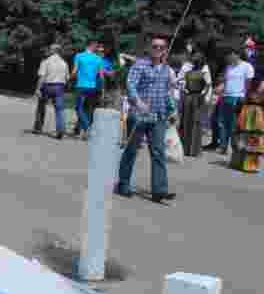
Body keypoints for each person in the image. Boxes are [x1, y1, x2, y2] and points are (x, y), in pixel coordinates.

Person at [115, 32, 176, 205]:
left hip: (158, 116)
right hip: (139, 115)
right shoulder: (140, 65)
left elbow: (166, 92)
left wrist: (172, 110)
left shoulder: (166, 69)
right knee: (131, 150)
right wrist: (138, 102)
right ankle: (123, 184)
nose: (158, 49)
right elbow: (130, 85)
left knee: (158, 153)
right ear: (150, 48)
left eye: (161, 47)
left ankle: (159, 191)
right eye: (155, 46)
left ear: (165, 50)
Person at [206, 48, 255, 155]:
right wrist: (219, 89)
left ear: (237, 55)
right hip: (225, 97)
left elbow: (248, 84)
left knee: (234, 124)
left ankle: (233, 147)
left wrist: (245, 97)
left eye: (230, 55)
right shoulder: (229, 67)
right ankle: (223, 147)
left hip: (238, 98)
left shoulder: (247, 66)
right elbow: (225, 82)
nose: (228, 58)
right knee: (223, 123)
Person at [33, 44, 69, 138]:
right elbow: (67, 78)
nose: (48, 50)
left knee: (41, 106)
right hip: (59, 87)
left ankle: (38, 128)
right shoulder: (64, 63)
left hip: (47, 86)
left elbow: (42, 77)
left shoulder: (46, 62)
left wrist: (37, 89)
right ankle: (60, 130)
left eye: (50, 49)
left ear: (53, 51)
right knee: (59, 109)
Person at [71, 39, 105, 138]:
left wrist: (69, 78)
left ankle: (87, 128)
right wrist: (102, 89)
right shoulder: (98, 59)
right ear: (91, 46)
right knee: (89, 109)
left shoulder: (79, 56)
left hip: (81, 86)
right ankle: (86, 129)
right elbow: (101, 76)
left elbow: (74, 71)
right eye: (95, 46)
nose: (96, 48)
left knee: (79, 108)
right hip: (93, 87)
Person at [179, 53, 209, 157]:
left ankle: (194, 150)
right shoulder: (188, 73)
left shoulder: (203, 74)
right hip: (190, 98)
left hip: (197, 98)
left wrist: (202, 95)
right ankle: (186, 148)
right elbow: (183, 84)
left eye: (198, 61)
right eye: (195, 61)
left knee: (195, 122)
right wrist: (185, 90)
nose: (196, 63)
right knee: (186, 121)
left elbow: (207, 86)